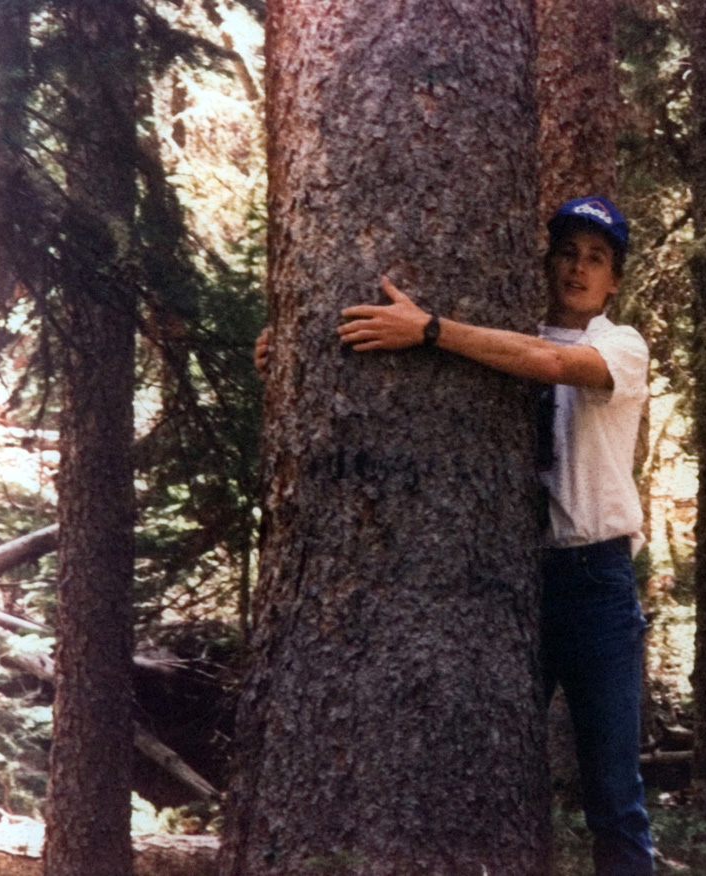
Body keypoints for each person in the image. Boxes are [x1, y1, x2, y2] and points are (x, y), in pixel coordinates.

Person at [260, 197, 655, 876]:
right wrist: (295, 353)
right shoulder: (501, 334)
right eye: (566, 252)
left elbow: (552, 363)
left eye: (596, 258)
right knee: (485, 775)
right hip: (509, 580)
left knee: (613, 793)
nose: (578, 268)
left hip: (597, 582)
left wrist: (431, 329)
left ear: (614, 280)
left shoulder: (621, 345)